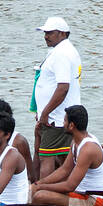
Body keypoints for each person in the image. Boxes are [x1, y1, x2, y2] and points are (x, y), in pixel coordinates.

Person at [31, 104, 103, 206]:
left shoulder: (88, 149)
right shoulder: (75, 141)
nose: (63, 124)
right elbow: (64, 170)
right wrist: (38, 183)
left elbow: (69, 186)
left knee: (39, 196)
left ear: (71, 125)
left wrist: (41, 187)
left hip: (91, 201)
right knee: (34, 190)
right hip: (79, 194)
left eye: (64, 121)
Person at [32, 16, 82, 179]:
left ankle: (43, 194)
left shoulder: (61, 54)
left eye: (50, 33)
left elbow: (63, 88)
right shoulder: (65, 51)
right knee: (64, 158)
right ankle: (63, 191)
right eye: (45, 33)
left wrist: (45, 113)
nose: (46, 36)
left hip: (55, 118)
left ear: (62, 33)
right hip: (60, 116)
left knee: (46, 157)